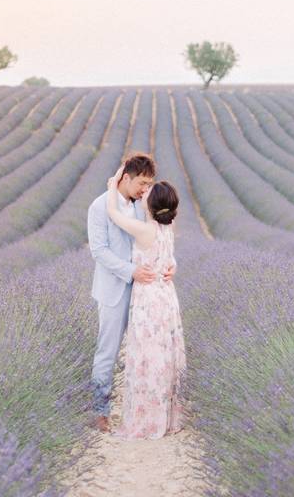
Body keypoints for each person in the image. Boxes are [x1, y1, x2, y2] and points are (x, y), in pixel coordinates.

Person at [87, 153, 174, 434]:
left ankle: (144, 410)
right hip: (115, 288)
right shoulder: (100, 207)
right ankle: (100, 412)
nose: (146, 189)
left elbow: (160, 238)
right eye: (142, 182)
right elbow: (99, 251)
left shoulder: (143, 205)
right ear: (127, 178)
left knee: (144, 353)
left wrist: (171, 264)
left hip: (144, 293)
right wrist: (130, 271)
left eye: (149, 184)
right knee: (108, 352)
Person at [104, 164, 186, 439]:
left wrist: (112, 186)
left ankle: (145, 421)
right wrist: (172, 265)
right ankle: (166, 418)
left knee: (146, 358)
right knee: (166, 357)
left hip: (148, 300)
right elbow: (170, 258)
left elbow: (114, 214)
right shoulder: (168, 229)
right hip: (167, 298)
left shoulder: (145, 231)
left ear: (151, 205)